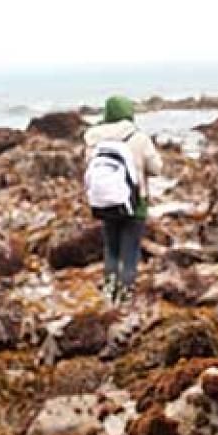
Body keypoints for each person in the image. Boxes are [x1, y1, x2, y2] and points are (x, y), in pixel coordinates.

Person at [82, 95, 162, 304]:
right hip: (136, 203)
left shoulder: (94, 137)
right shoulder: (138, 137)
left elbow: (90, 166)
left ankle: (109, 291)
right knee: (130, 251)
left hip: (106, 201)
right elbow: (156, 168)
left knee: (111, 249)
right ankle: (125, 296)